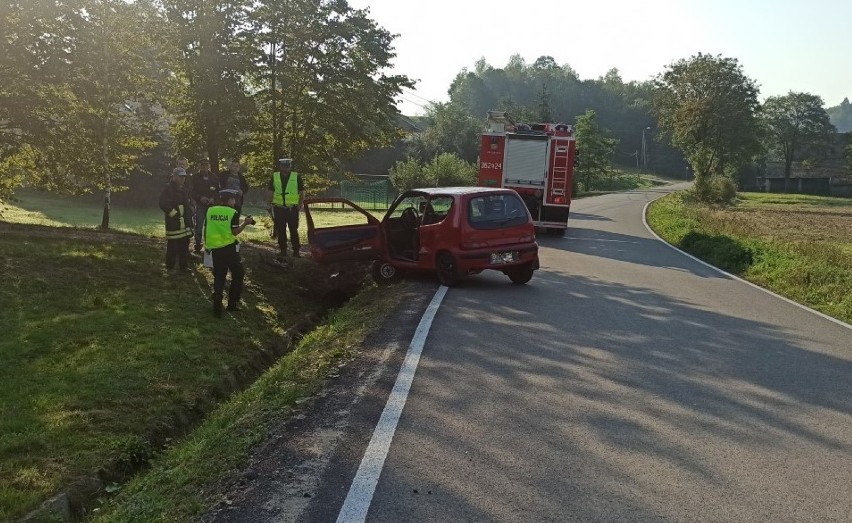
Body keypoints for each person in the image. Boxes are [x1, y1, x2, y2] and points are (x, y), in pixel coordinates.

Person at [205, 189, 255, 317]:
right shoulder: (233, 212)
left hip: (215, 248)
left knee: (219, 276)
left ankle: (217, 299)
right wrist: (245, 223)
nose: (235, 201)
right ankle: (232, 303)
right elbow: (235, 232)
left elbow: (206, 228)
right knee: (238, 273)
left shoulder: (210, 210)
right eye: (233, 199)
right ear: (229, 200)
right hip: (229, 249)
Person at [158, 167, 194, 272]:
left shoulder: (184, 188)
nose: (183, 179)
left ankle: (184, 266)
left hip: (185, 222)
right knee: (173, 245)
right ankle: (170, 267)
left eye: (184, 177)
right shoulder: (168, 188)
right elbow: (163, 203)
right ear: (174, 176)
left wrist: (189, 214)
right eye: (180, 176)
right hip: (174, 222)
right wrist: (175, 214)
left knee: (184, 244)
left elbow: (186, 204)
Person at [269, 158, 305, 258]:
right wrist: (269, 203)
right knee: (281, 230)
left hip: (292, 209)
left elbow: (302, 191)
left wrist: (300, 204)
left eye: (287, 166)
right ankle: (283, 250)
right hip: (279, 208)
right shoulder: (275, 176)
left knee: (293, 230)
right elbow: (270, 190)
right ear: (280, 166)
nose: (286, 168)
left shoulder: (296, 176)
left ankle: (296, 251)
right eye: (284, 166)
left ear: (290, 166)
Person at [190, 158, 220, 253]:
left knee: (210, 226)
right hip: (199, 204)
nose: (204, 167)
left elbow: (218, 191)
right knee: (198, 226)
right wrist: (200, 198)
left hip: (211, 205)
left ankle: (208, 246)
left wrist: (213, 198)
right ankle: (197, 245)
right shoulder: (194, 177)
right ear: (199, 166)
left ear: (209, 166)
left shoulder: (214, 177)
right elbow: (191, 191)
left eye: (206, 165)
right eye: (202, 165)